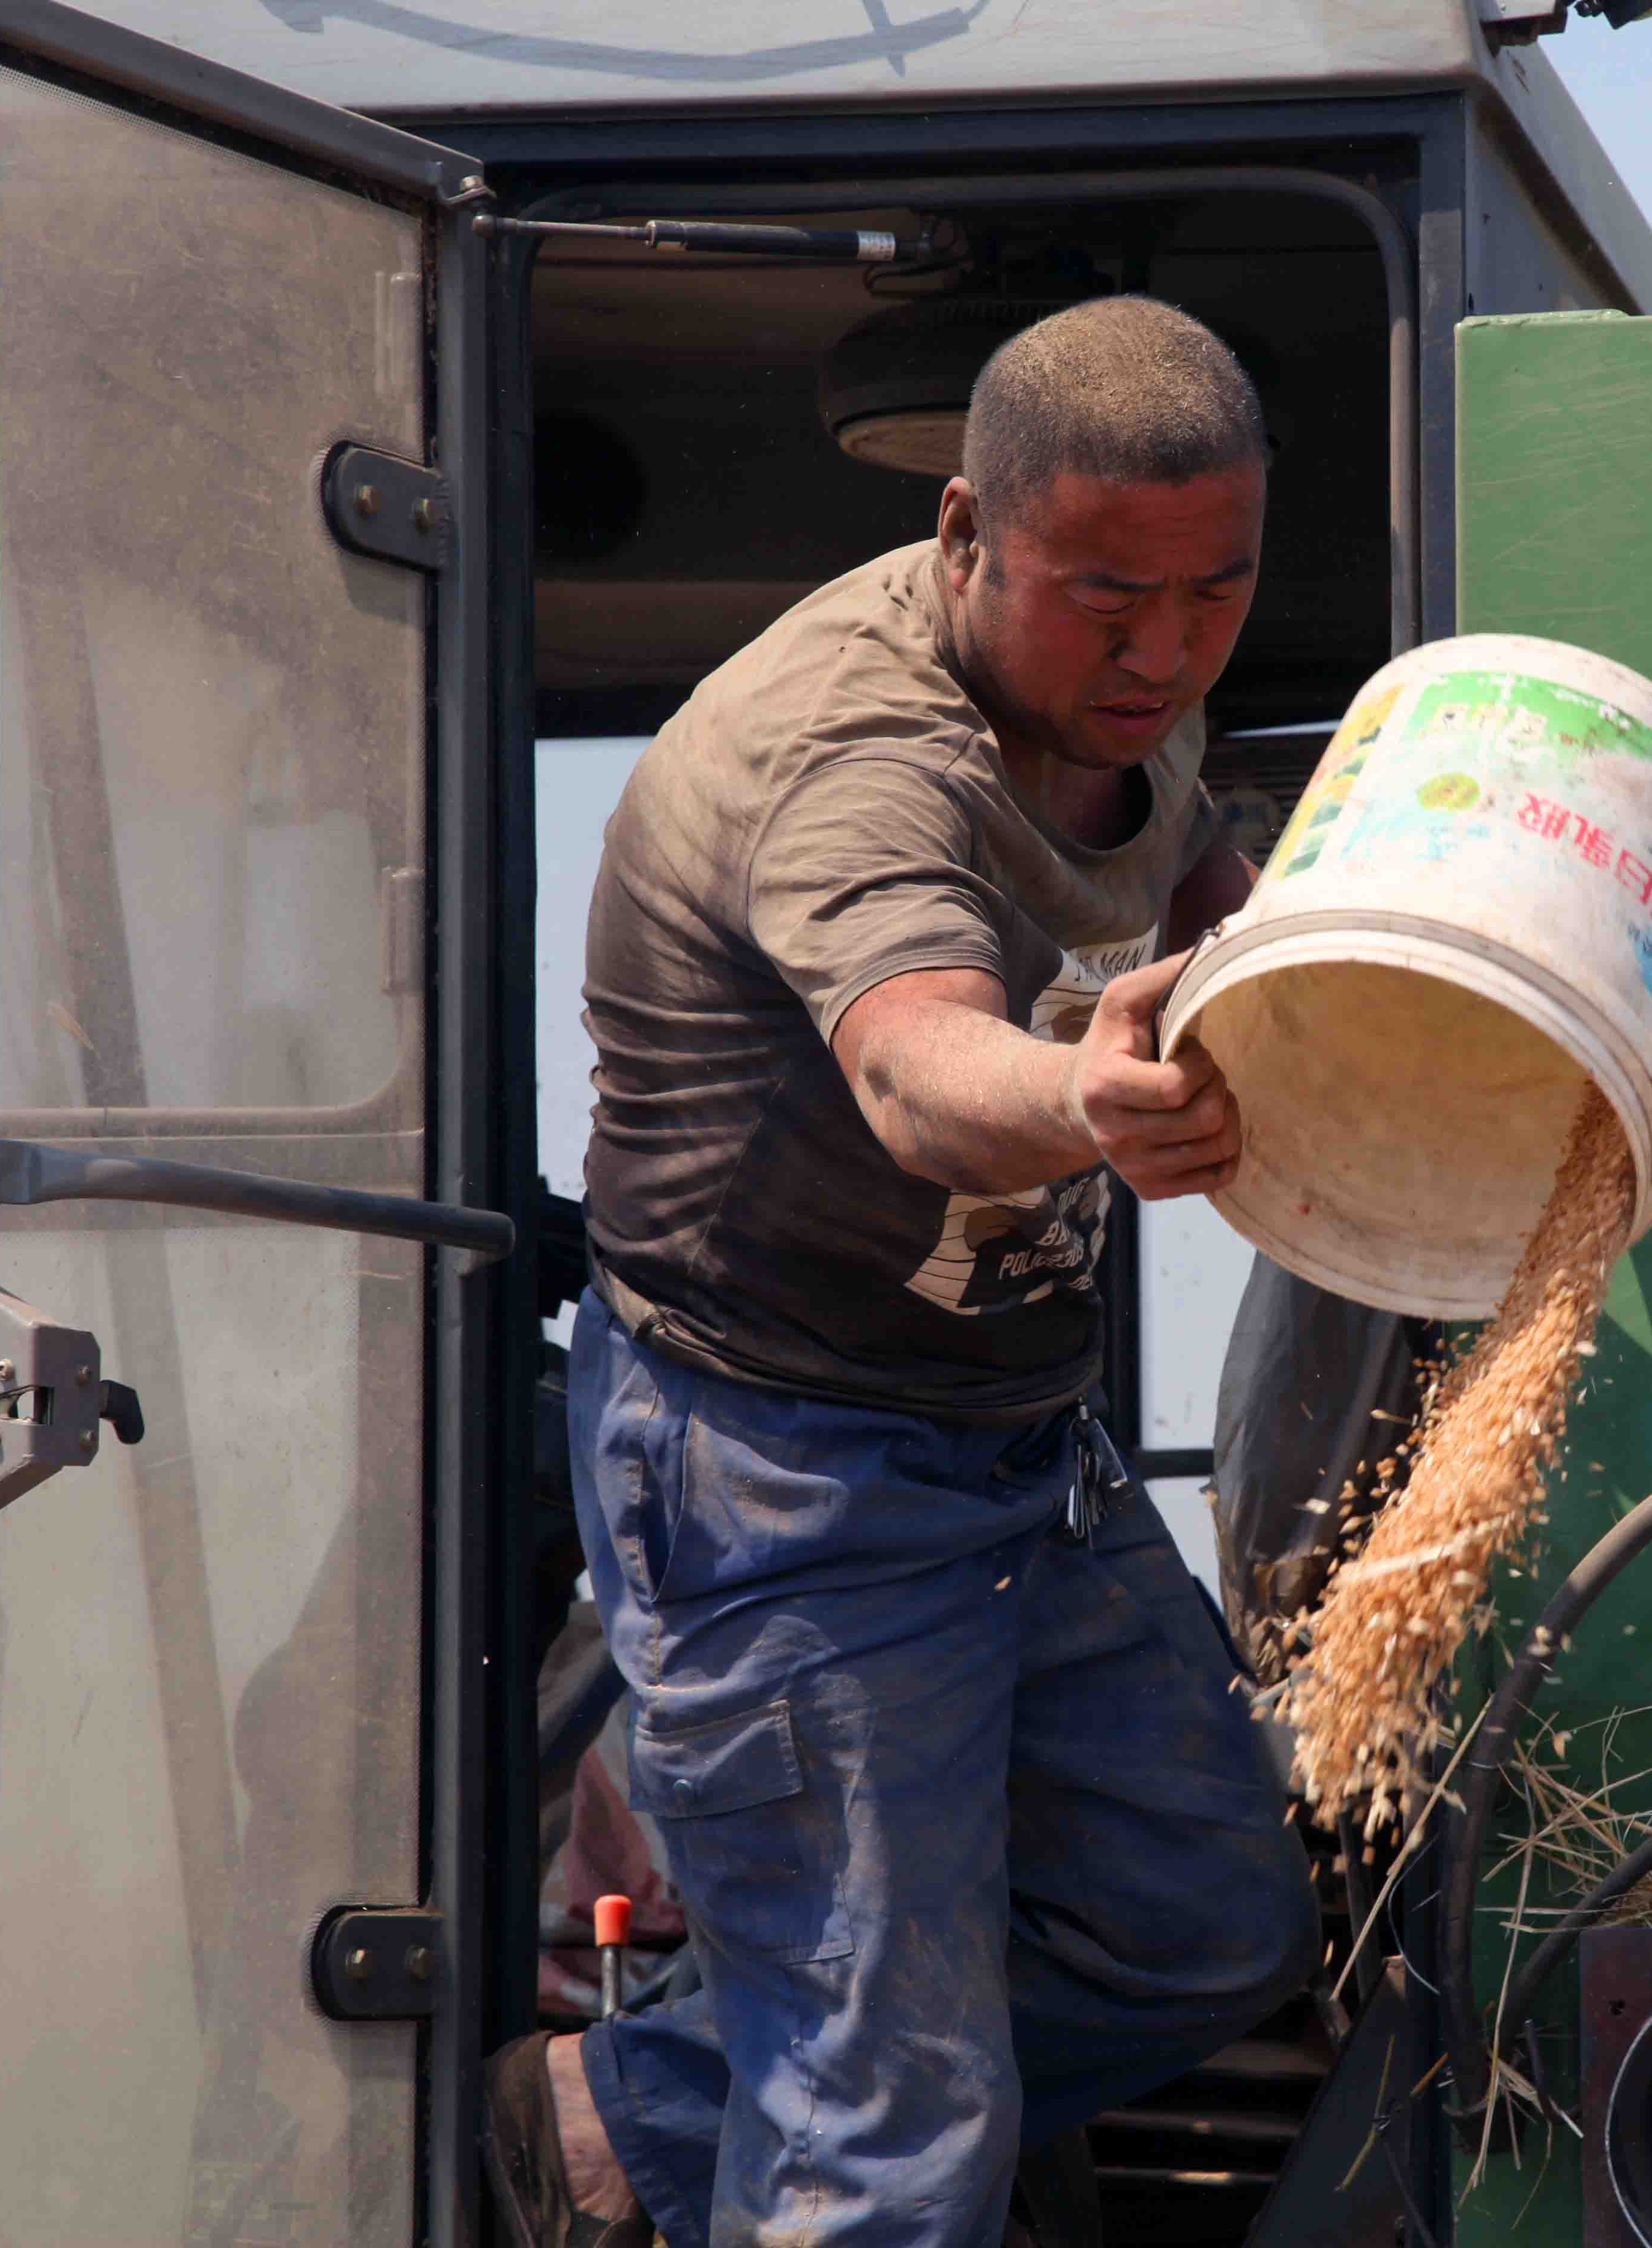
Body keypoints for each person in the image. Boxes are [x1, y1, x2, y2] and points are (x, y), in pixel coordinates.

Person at [485, 295, 1321, 2248]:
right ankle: (776, 2123)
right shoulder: (854, 762)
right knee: (893, 2136)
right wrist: (1091, 1095)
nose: (1170, 650)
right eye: (1107, 598)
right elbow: (916, 1067)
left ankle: (616, 2122)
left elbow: (1174, 846)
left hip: (1015, 1445)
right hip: (784, 1478)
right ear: (963, 533)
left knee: (1210, 1924)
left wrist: (1258, 928)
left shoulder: (1130, 675)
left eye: (1217, 593)